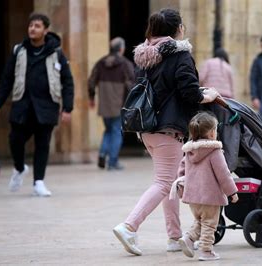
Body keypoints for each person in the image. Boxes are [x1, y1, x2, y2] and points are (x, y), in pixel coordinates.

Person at [112, 8, 220, 256]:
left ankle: (173, 237)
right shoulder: (179, 55)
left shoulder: (144, 56)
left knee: (170, 182)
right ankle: (129, 227)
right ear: (177, 29)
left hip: (147, 129)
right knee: (163, 183)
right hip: (168, 130)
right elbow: (189, 93)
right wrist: (209, 95)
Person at [0, 13, 74, 196]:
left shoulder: (56, 52)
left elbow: (67, 81)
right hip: (23, 105)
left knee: (42, 144)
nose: (32, 29)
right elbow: (7, 80)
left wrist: (67, 108)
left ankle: (38, 182)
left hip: (47, 106)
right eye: (30, 25)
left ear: (46, 30)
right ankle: (20, 168)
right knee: (15, 140)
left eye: (37, 26)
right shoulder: (19, 51)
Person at [171, 112, 238, 261]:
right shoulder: (214, 152)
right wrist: (232, 191)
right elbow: (224, 174)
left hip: (193, 197)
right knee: (209, 224)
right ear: (212, 132)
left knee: (200, 221)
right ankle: (206, 251)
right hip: (210, 196)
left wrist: (183, 187)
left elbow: (181, 171)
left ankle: (188, 238)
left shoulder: (189, 151)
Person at [88, 37, 135, 170]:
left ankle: (103, 154)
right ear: (121, 48)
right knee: (116, 132)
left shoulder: (100, 63)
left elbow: (91, 81)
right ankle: (112, 162)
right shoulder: (125, 64)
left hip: (104, 104)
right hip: (119, 104)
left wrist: (91, 98)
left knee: (108, 130)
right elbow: (132, 84)